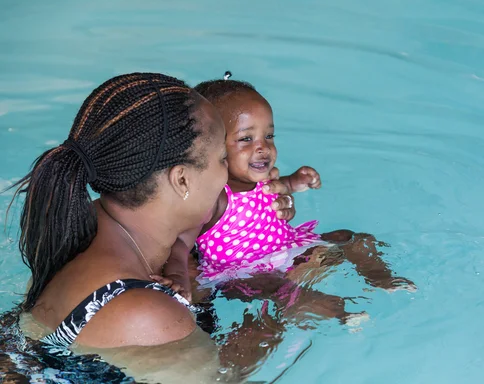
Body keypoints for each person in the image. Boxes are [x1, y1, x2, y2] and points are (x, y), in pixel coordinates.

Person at [6, 72, 298, 381]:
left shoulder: (79, 222)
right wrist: (277, 318)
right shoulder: (147, 315)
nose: (229, 178)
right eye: (223, 159)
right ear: (182, 180)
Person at [158, 72, 416, 326]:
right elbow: (180, 244)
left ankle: (380, 278)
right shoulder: (214, 199)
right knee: (282, 290)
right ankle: (339, 314)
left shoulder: (264, 180)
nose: (262, 147)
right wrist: (179, 279)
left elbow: (278, 189)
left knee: (349, 238)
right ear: (211, 146)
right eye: (246, 139)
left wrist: (297, 181)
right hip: (244, 275)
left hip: (289, 253)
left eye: (268, 136)